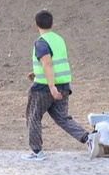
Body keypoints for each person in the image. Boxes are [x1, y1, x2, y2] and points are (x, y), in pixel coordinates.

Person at [24, 9, 94, 160]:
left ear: (36, 25)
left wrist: (51, 86)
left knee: (33, 116)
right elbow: (55, 64)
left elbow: (48, 64)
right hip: (64, 85)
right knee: (62, 118)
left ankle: (36, 152)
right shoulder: (59, 40)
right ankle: (88, 139)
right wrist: (37, 73)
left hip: (44, 88)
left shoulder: (41, 43)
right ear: (52, 24)